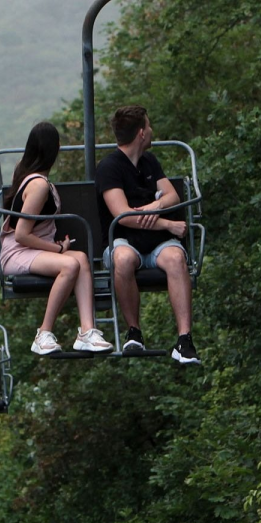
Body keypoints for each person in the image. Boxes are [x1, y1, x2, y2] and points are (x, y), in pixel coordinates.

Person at [0, 121, 113, 356]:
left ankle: (87, 331)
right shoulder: (38, 185)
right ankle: (43, 333)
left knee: (80, 258)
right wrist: (56, 249)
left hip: (31, 249)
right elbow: (21, 234)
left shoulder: (31, 175)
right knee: (70, 264)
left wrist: (58, 248)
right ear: (56, 148)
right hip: (17, 252)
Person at [96, 105, 199, 365]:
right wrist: (167, 225)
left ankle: (185, 340)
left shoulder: (150, 162)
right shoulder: (109, 168)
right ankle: (134, 332)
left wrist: (155, 206)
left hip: (155, 244)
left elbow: (172, 195)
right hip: (122, 239)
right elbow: (124, 217)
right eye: (149, 126)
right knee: (123, 259)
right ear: (141, 133)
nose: (152, 131)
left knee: (176, 259)